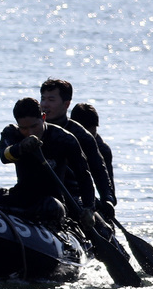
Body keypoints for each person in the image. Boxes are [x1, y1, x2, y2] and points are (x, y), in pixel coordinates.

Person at [0, 97, 95, 227]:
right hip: (22, 195)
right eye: (24, 128)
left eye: (34, 126)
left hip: (51, 200)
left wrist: (89, 208)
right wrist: (20, 147)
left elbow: (83, 175)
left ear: (43, 117)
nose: (30, 133)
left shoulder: (63, 138)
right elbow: (4, 156)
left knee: (52, 207)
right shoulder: (11, 133)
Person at [40, 79, 116, 217]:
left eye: (51, 100)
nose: (45, 105)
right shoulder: (30, 130)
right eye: (43, 99)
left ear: (66, 104)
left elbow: (98, 170)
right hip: (35, 194)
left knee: (102, 230)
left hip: (73, 197)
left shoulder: (81, 135)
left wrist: (107, 199)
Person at [70, 102, 115, 188]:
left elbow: (108, 184)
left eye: (93, 129)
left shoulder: (102, 149)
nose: (88, 137)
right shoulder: (63, 140)